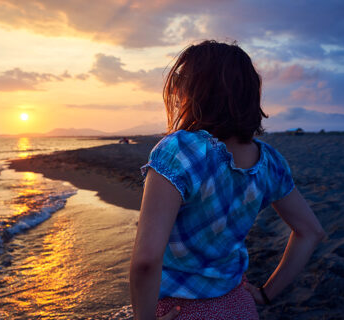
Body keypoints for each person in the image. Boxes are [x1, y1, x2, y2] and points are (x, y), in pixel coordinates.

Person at [129, 40, 325, 320]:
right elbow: (311, 231)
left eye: (182, 82)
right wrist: (268, 293)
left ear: (197, 91)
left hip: (181, 310)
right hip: (239, 306)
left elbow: (147, 261)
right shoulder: (269, 161)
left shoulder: (179, 150)